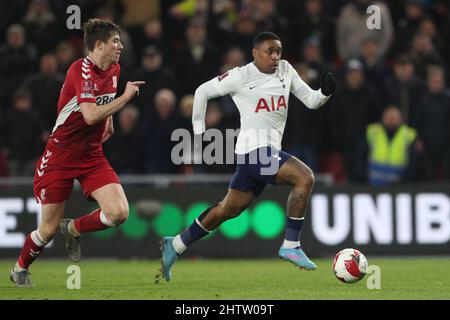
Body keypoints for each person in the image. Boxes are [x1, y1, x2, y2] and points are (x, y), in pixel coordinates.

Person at [159, 31, 336, 281]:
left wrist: (325, 93)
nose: (275, 56)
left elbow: (311, 101)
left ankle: (175, 244)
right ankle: (291, 245)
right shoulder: (240, 76)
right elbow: (201, 92)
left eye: (278, 51)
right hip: (253, 151)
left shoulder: (286, 70)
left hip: (264, 153)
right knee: (304, 177)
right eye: (269, 51)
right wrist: (199, 133)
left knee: (228, 210)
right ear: (255, 53)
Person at [10, 18, 145, 287]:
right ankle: (19, 270)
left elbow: (102, 104)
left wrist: (110, 120)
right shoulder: (79, 70)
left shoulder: (115, 68)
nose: (120, 45)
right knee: (47, 230)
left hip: (91, 154)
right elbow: (90, 114)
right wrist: (125, 99)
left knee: (119, 213)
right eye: (115, 41)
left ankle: (73, 228)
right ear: (99, 45)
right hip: (60, 155)